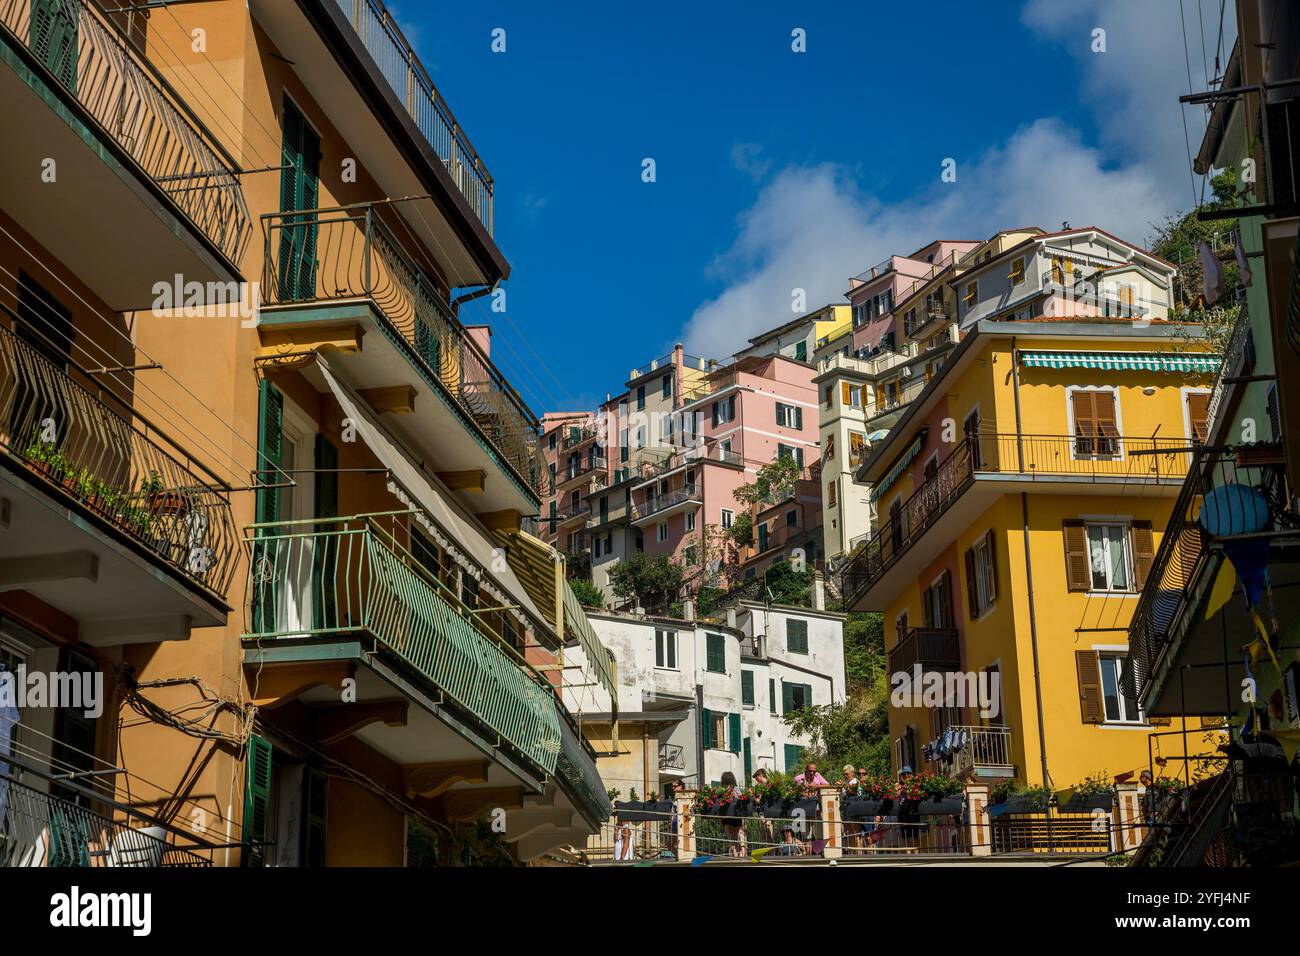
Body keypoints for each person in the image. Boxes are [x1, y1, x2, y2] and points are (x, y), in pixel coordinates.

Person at [719, 771, 743, 857]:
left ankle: (735, 852)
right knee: (735, 834)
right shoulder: (735, 788)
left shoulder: (723, 789)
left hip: (727, 814)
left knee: (730, 834)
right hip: (735, 813)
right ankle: (736, 851)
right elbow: (741, 797)